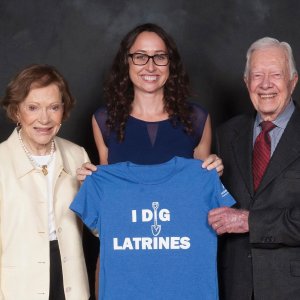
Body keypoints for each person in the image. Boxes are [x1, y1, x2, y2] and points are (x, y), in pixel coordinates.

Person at [76, 23, 223, 299]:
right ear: (127, 61)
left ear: (171, 63)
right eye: (140, 56)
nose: (150, 66)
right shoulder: (104, 121)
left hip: (182, 269)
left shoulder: (197, 119)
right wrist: (89, 183)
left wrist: (214, 169)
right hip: (127, 268)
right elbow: (108, 214)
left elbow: (202, 206)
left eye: (160, 56)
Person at [208, 37, 300, 299]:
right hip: (234, 286)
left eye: (276, 74)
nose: (266, 84)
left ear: (293, 81)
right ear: (246, 83)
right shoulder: (226, 135)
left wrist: (250, 221)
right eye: (257, 75)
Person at [0, 64, 90, 300]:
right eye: (33, 107)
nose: (44, 118)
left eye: (54, 107)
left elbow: (100, 228)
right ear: (16, 111)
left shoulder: (77, 155)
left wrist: (94, 198)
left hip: (70, 279)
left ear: (64, 110)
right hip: (17, 285)